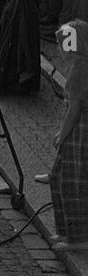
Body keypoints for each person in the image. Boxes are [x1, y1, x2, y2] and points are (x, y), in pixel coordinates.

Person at [42, 19, 88, 250]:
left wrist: (62, 134)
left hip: (80, 133)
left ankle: (78, 237)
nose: (59, 48)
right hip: (77, 130)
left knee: (71, 182)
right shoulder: (79, 66)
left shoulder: (80, 70)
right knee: (60, 177)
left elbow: (75, 109)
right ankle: (65, 231)